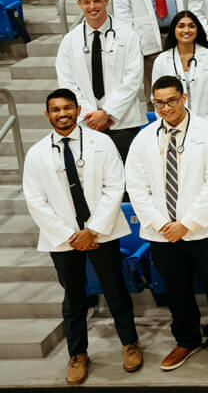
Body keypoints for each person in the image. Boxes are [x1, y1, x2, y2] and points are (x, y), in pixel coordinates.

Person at [24, 89, 141, 385]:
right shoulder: (36, 153)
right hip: (63, 239)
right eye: (55, 109)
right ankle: (78, 353)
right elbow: (36, 201)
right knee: (73, 298)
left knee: (115, 291)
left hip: (102, 232)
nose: (62, 114)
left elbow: (115, 187)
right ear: (47, 113)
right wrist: (70, 235)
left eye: (67, 108)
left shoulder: (101, 143)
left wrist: (94, 230)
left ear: (77, 110)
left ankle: (129, 343)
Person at [124, 76, 208, 372]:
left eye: (171, 100)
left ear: (183, 98)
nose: (165, 107)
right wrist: (160, 223)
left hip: (204, 228)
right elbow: (135, 186)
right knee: (175, 288)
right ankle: (186, 339)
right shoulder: (143, 139)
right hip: (163, 233)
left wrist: (188, 223)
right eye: (158, 102)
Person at [56, 0, 146, 158]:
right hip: (87, 123)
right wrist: (91, 115)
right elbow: (67, 83)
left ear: (106, 1)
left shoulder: (128, 35)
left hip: (123, 122)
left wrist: (108, 112)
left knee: (127, 176)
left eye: (97, 1)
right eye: (87, 2)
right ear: (79, 4)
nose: (92, 7)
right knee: (94, 178)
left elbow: (133, 78)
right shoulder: (70, 40)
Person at [152, 11, 208, 133]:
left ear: (198, 29)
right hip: (173, 128)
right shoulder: (161, 60)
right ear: (173, 30)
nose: (186, 30)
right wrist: (171, 125)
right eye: (181, 26)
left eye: (191, 26)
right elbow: (156, 98)